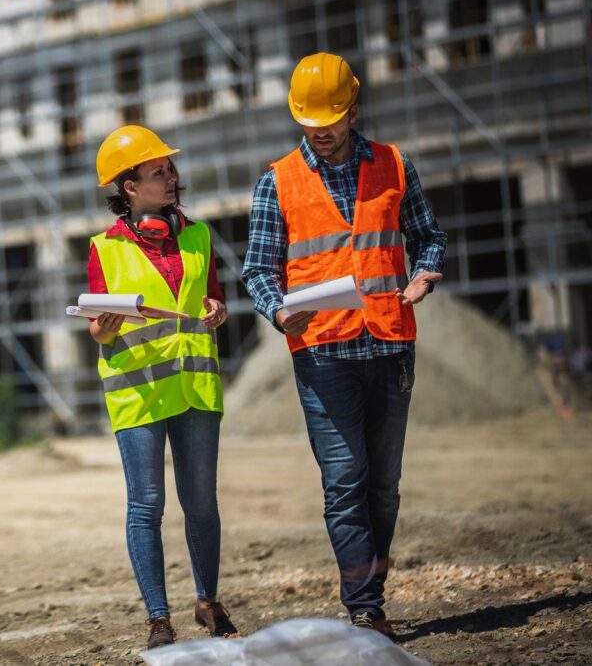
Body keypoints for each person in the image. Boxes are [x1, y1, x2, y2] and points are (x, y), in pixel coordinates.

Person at [241, 53, 447, 637]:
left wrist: (425, 273)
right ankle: (365, 605)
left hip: (390, 343)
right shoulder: (275, 181)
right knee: (346, 478)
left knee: (383, 484)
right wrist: (279, 310)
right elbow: (258, 271)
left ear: (354, 109)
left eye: (330, 119)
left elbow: (428, 236)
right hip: (323, 353)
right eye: (308, 121)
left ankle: (371, 584)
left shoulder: (394, 165)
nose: (319, 131)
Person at [88, 124, 239, 650]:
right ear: (129, 187)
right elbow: (97, 322)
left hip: (195, 389)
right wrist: (100, 328)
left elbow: (214, 298)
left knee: (201, 503)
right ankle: (158, 617)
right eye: (157, 172)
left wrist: (217, 309)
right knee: (145, 505)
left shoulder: (197, 236)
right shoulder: (103, 248)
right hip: (139, 393)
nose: (170, 177)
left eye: (170, 168)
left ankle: (207, 600)